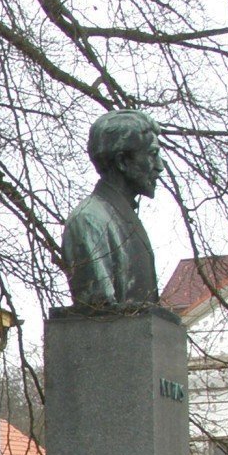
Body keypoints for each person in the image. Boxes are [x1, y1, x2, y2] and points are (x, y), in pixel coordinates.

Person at [62, 109, 163, 309]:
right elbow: (100, 310)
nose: (159, 166)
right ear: (122, 161)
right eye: (152, 155)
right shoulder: (89, 220)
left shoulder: (122, 217)